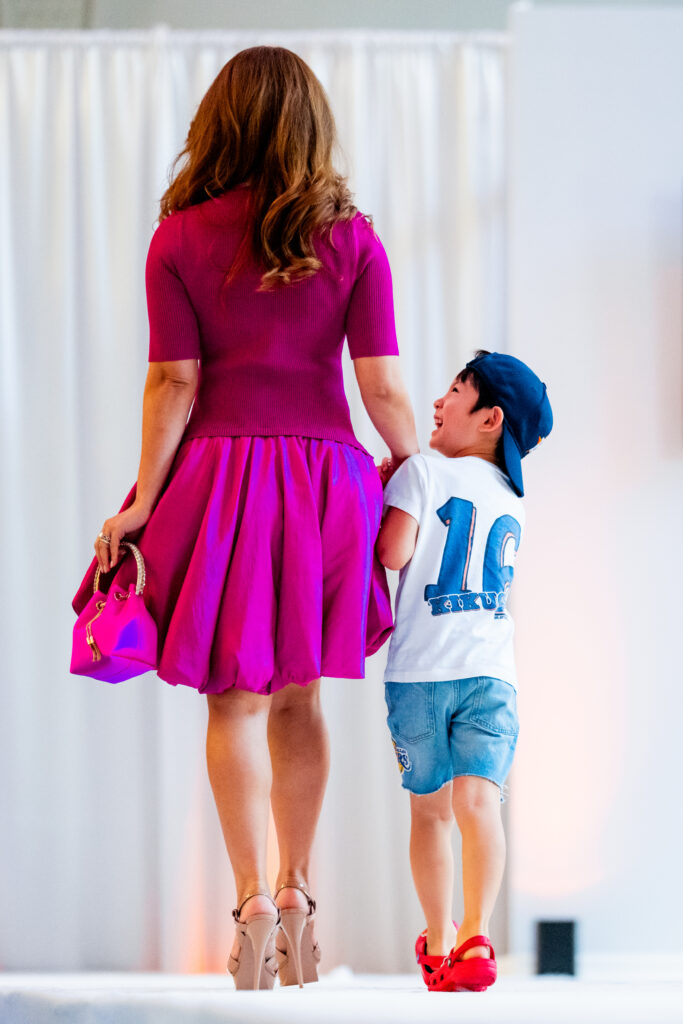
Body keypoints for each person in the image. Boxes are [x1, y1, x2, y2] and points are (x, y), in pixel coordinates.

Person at [72, 46, 418, 990]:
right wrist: (415, 475)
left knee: (235, 697)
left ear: (218, 120)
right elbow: (381, 385)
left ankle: (252, 902)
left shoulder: (178, 238)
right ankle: (302, 896)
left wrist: (143, 498)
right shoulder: (353, 239)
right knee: (300, 691)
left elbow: (174, 381)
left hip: (222, 482)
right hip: (322, 483)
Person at [376, 351, 552, 993]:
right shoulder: (514, 499)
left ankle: (438, 938)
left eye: (454, 391)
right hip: (491, 673)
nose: (437, 401)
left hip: (420, 673)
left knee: (430, 813)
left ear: (489, 418)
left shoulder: (421, 472)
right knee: (481, 802)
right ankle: (478, 934)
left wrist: (384, 490)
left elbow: (393, 552)